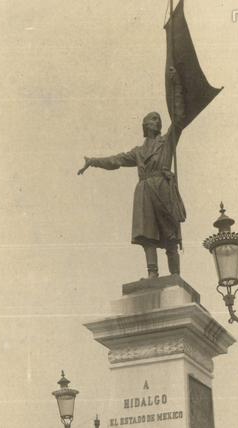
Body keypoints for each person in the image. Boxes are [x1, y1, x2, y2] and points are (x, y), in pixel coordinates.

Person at [78, 67, 186, 279]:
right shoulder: (138, 152)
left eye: (159, 119)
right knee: (148, 234)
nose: (158, 121)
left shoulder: (167, 142)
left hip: (162, 189)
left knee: (170, 235)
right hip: (145, 190)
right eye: (154, 119)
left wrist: (176, 87)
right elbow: (115, 160)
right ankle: (152, 274)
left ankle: (175, 275)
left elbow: (179, 119)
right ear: (145, 125)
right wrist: (93, 161)